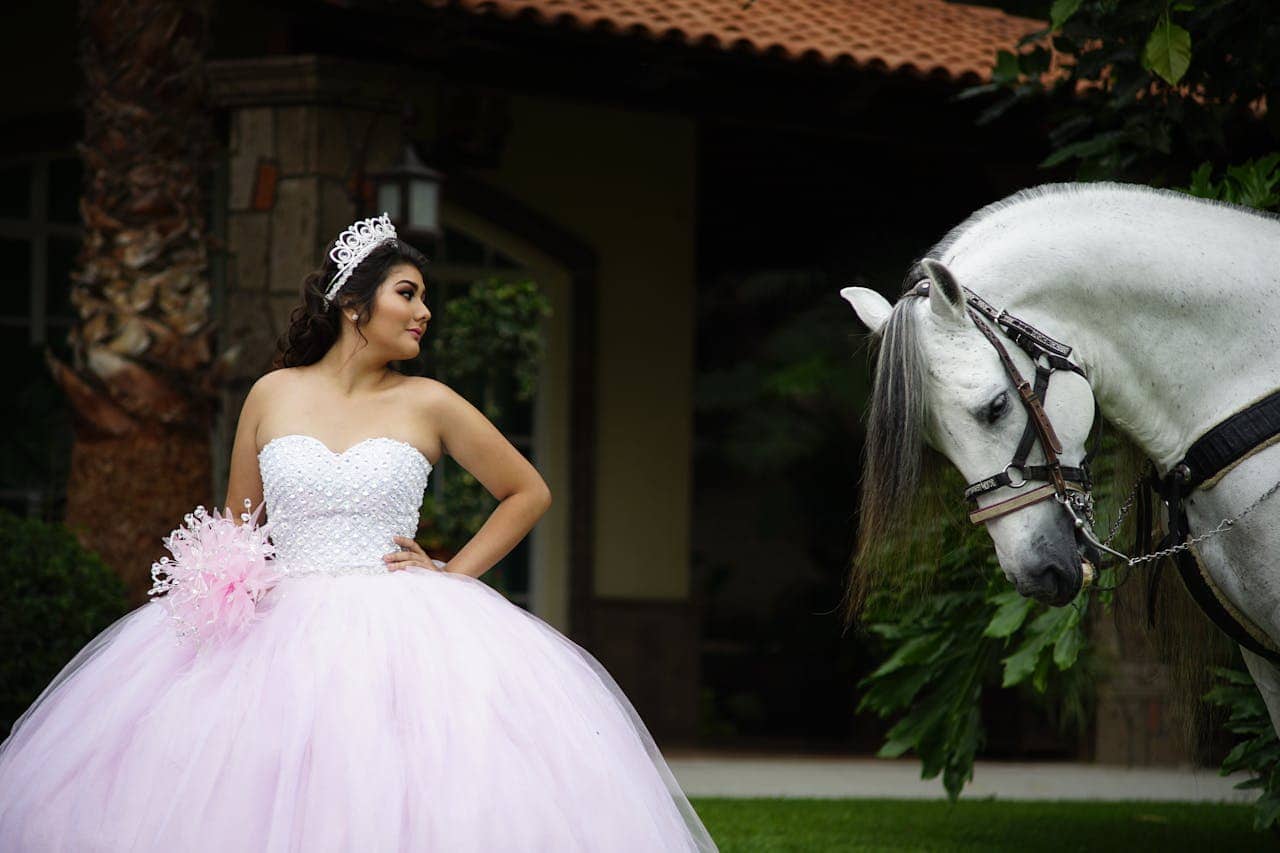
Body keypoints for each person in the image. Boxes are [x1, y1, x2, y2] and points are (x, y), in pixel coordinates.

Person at [0, 213, 718, 852]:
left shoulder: (430, 402)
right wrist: (224, 589)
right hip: (274, 630)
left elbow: (527, 492)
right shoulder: (272, 393)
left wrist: (453, 574)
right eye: (407, 293)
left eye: (423, 297)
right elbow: (236, 528)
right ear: (352, 303)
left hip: (400, 624)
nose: (424, 312)